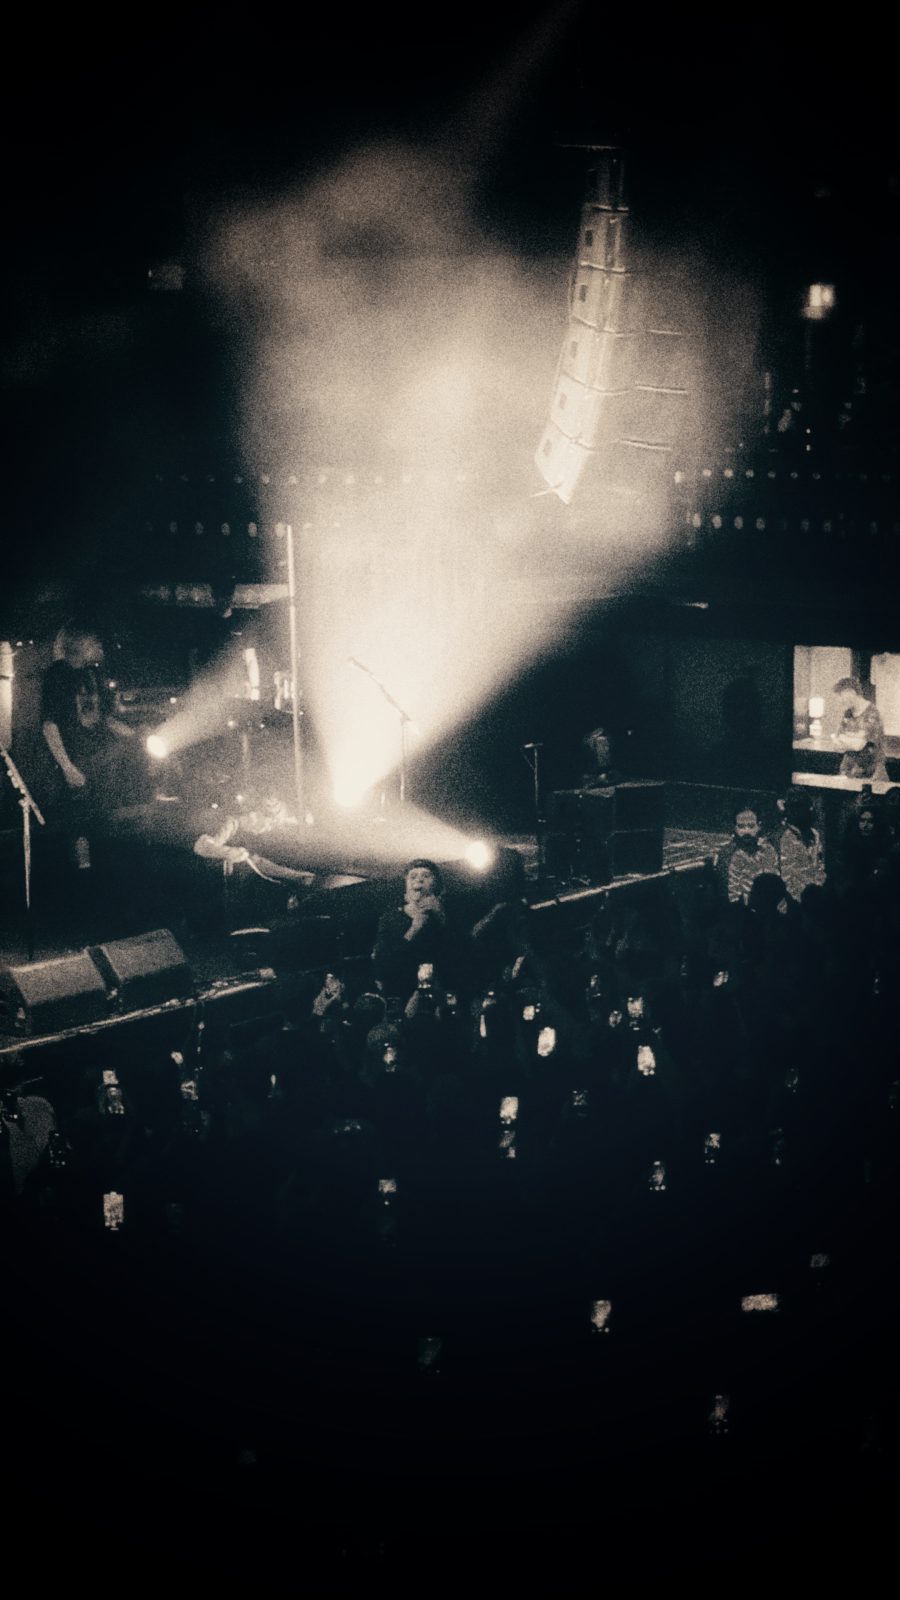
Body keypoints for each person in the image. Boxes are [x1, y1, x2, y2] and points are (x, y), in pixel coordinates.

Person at [41, 623, 136, 868]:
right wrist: (67, 766)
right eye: (95, 642)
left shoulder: (92, 674)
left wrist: (133, 734)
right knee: (78, 824)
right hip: (76, 760)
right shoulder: (57, 675)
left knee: (103, 820)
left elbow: (103, 718)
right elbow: (49, 724)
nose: (100, 648)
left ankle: (104, 871)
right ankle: (82, 875)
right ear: (81, 644)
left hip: (101, 762)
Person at [371, 859, 469, 1003]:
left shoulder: (450, 915)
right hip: (403, 996)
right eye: (413, 876)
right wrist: (414, 929)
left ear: (436, 884)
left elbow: (464, 953)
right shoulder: (390, 918)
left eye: (426, 876)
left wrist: (441, 916)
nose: (419, 880)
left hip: (443, 996)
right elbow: (383, 962)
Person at [714, 805, 779, 905]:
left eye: (751, 826)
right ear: (734, 827)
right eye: (741, 826)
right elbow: (728, 894)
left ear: (759, 826)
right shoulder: (727, 855)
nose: (746, 831)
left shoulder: (768, 850)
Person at [831, 677, 888, 782]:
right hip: (848, 773)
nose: (839, 700)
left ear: (852, 692)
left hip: (870, 775)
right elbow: (836, 743)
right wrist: (853, 739)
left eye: (840, 695)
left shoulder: (872, 713)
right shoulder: (848, 713)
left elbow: (858, 745)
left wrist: (846, 739)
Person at [776, 788, 826, 904]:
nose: (797, 811)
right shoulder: (783, 835)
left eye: (801, 806)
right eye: (793, 807)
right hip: (792, 901)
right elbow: (786, 875)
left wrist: (818, 891)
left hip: (814, 897)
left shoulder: (815, 835)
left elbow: (819, 866)